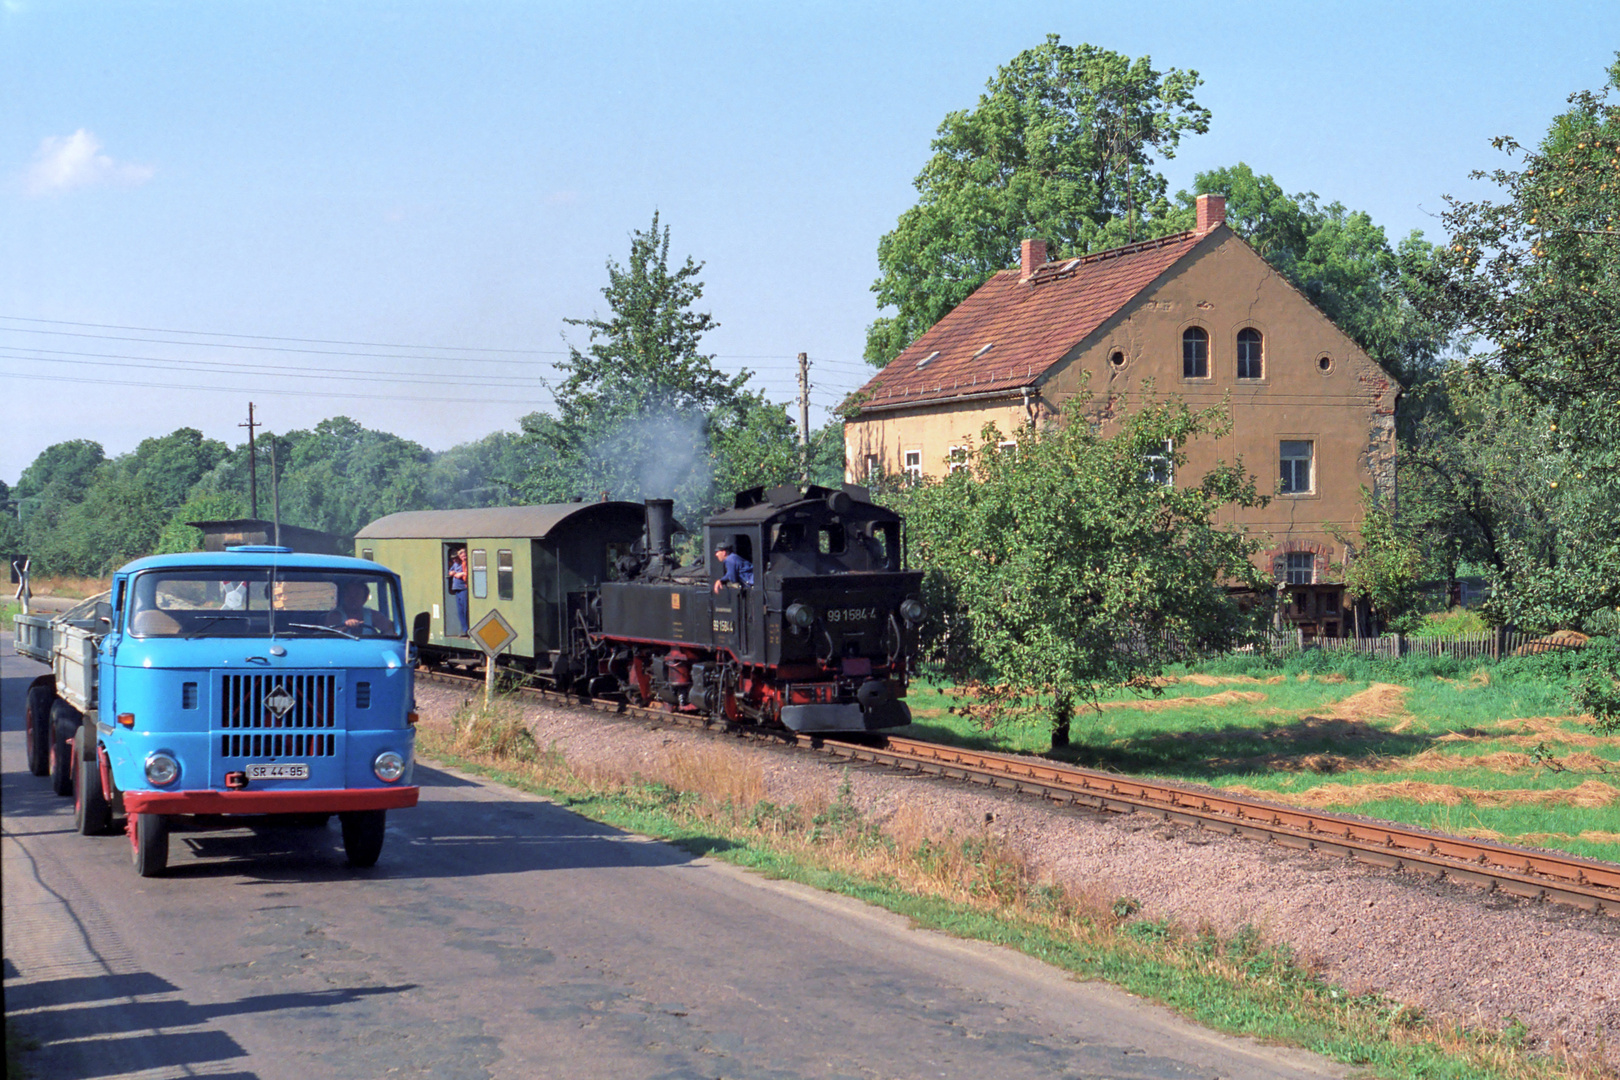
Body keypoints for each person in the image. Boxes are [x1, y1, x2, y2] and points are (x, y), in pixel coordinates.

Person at [329, 580, 395, 635]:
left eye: (357, 595)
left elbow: (391, 628)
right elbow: (328, 636)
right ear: (344, 597)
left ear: (364, 598)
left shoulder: (372, 615)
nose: (352, 598)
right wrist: (344, 627)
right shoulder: (335, 615)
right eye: (349, 594)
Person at [447, 547, 469, 634]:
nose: (454, 560)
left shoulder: (463, 564)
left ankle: (466, 630)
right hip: (456, 589)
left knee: (464, 609)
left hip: (463, 588)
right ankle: (464, 629)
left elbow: (465, 573)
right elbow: (450, 572)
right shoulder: (455, 564)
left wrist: (460, 574)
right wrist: (453, 573)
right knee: (460, 611)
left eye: (455, 558)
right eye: (452, 559)